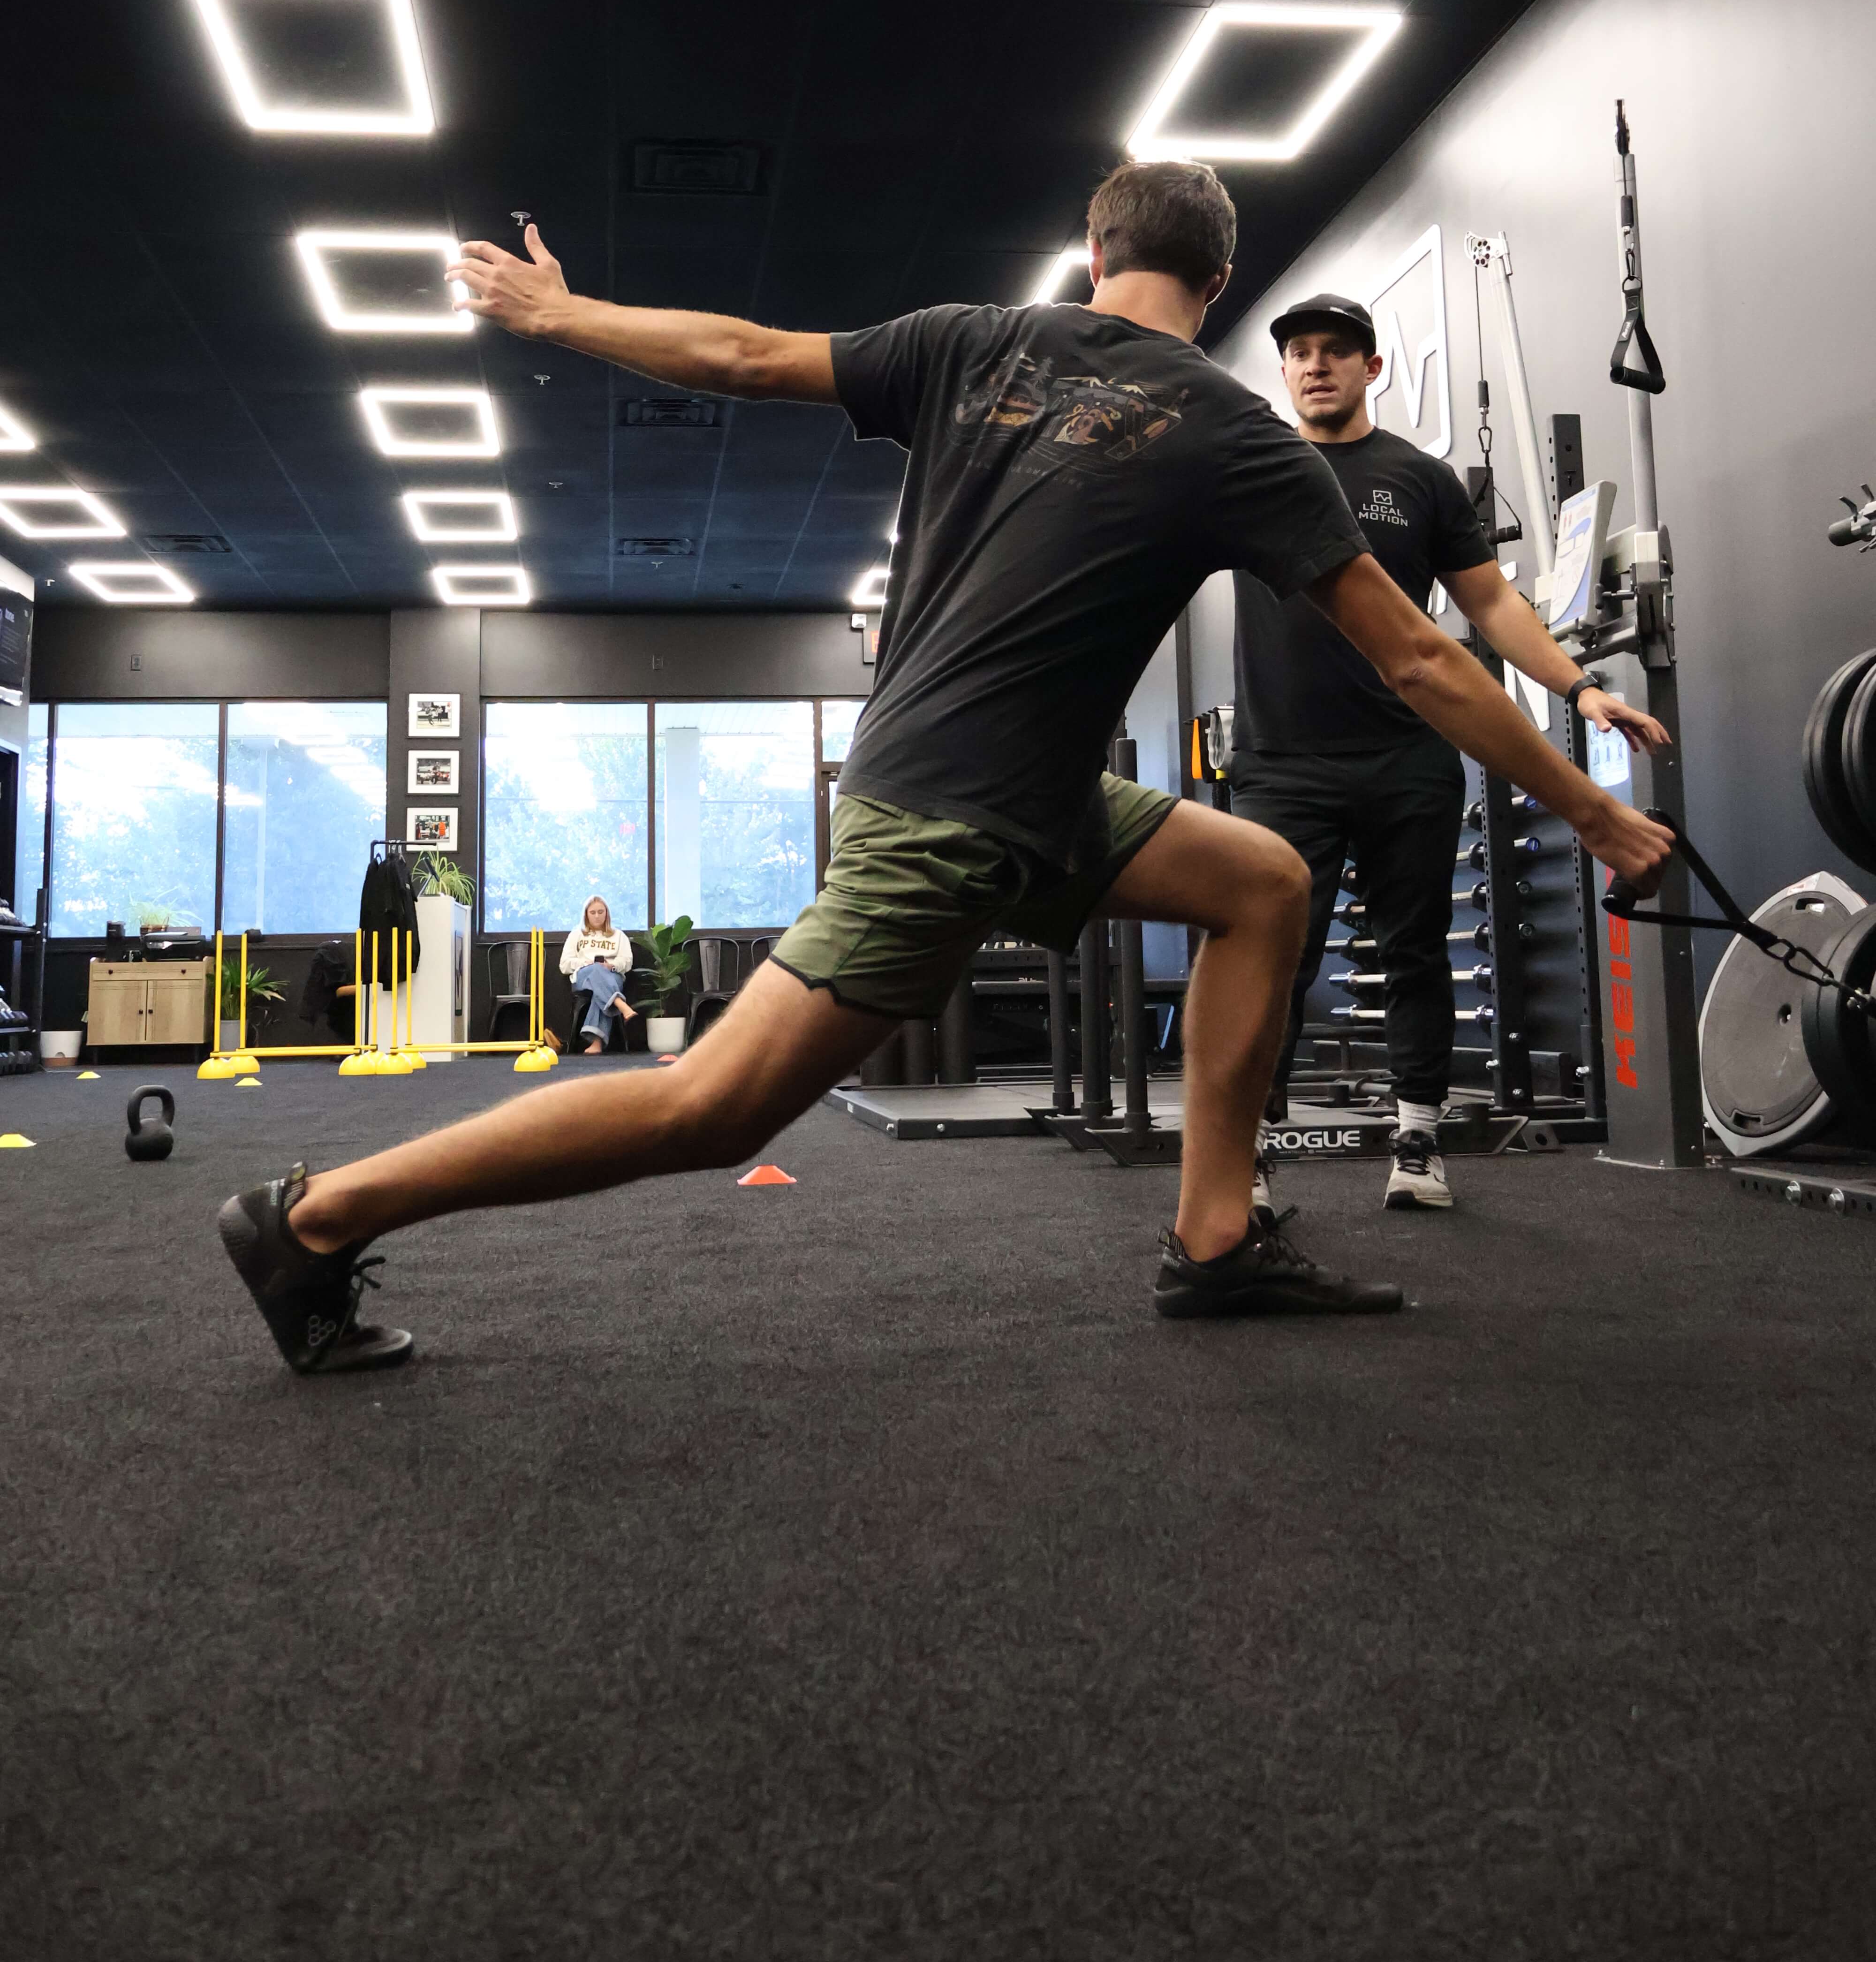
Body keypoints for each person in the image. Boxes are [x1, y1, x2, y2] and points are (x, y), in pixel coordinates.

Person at [217, 162, 1671, 1376]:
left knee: (1262, 881)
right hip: (953, 805)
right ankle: (315, 1215)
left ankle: (1215, 1236)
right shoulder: (1239, 433)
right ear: (1215, 285)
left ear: (1094, 252)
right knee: (712, 1105)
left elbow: (735, 354)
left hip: (997, 776)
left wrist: (557, 309)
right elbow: (1420, 659)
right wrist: (1596, 808)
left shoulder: (974, 338)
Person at [1231, 293, 1667, 1213]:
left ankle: (1418, 1144)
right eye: (1299, 353)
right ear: (1283, 372)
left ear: (1370, 368)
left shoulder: (1418, 479)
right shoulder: (1252, 470)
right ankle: (1250, 1156)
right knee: (1270, 962)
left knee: (1416, 955)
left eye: (1336, 352)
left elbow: (1493, 607)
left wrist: (1578, 688)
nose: (1315, 365)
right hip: (1282, 766)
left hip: (1405, 758)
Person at [560, 896, 639, 1055]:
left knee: (600, 987)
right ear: (586, 915)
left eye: (601, 912)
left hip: (612, 975)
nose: (597, 916)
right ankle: (620, 1003)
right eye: (593, 912)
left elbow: (627, 962)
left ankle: (596, 1044)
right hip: (583, 977)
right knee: (596, 971)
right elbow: (564, 965)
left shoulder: (619, 936)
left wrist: (612, 965)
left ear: (607, 914)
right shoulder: (576, 935)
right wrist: (585, 963)